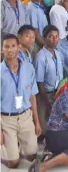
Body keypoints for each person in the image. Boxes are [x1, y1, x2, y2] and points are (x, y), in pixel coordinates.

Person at [1, 34, 40, 169]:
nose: (10, 50)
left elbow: (32, 96)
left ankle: (15, 147)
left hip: (25, 115)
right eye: (6, 47)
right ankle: (8, 153)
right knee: (13, 163)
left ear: (18, 48)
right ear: (2, 49)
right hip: (6, 119)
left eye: (13, 46)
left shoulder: (28, 68)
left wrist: (37, 121)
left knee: (31, 155)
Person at [35, 25, 64, 136]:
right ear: (45, 37)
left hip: (58, 92)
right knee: (43, 124)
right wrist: (47, 101)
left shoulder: (58, 54)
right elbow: (39, 82)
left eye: (57, 36)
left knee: (57, 122)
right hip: (45, 94)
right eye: (51, 36)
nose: (54, 39)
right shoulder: (40, 57)